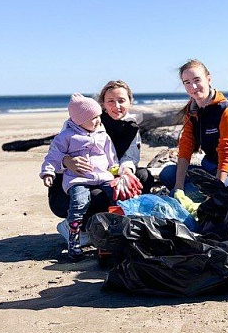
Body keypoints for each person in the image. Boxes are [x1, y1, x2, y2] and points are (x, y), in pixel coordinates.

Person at [47, 79, 150, 222]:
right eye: (111, 101)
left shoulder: (131, 126)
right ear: (103, 103)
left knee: (143, 176)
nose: (117, 106)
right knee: (98, 196)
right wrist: (66, 161)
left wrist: (125, 172)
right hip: (76, 181)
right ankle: (80, 226)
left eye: (121, 100)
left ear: (130, 102)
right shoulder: (85, 120)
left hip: (107, 174)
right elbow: (55, 151)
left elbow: (129, 156)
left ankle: (125, 220)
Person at [159, 59, 228, 198]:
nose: (193, 86)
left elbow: (226, 152)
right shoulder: (192, 110)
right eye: (187, 82)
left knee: (190, 191)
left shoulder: (227, 111)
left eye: (197, 80)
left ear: (208, 79)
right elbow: (185, 147)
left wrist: (215, 189)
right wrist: (178, 187)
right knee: (167, 174)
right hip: (211, 166)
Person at [40, 93, 119, 260]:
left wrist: (116, 171)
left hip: (103, 176)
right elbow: (53, 155)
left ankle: (114, 232)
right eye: (93, 118)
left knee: (116, 197)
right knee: (79, 203)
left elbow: (111, 155)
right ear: (78, 120)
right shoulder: (66, 136)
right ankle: (74, 236)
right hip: (78, 179)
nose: (98, 121)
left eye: (98, 116)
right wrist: (48, 172)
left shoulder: (102, 134)